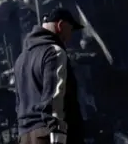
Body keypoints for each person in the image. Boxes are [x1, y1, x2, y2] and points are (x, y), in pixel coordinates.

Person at [14, 8, 85, 144]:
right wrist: (58, 136)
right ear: (61, 25)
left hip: (25, 137)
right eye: (70, 30)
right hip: (49, 136)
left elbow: (19, 105)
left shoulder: (20, 60)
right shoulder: (54, 52)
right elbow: (54, 98)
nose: (70, 37)